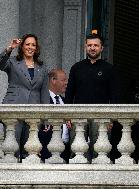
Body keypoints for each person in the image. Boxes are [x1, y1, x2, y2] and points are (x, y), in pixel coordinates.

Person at [65, 34, 119, 162]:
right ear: (85, 47)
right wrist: (67, 115)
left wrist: (112, 118)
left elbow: (115, 95)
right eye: (89, 45)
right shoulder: (76, 68)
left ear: (101, 48)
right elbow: (69, 93)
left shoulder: (109, 69)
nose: (92, 48)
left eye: (95, 45)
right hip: (78, 115)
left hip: (101, 115)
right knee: (76, 152)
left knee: (100, 153)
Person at [0, 34, 49, 161]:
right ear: (22, 46)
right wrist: (9, 48)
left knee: (29, 150)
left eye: (33, 45)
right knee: (12, 148)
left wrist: (46, 117)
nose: (30, 47)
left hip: (33, 111)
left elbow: (44, 92)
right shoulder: (14, 62)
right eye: (27, 44)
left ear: (36, 48)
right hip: (14, 107)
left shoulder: (42, 67)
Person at [38, 68, 72, 163]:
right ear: (53, 80)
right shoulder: (41, 100)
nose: (66, 83)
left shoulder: (65, 102)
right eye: (63, 80)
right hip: (47, 152)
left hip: (66, 152)